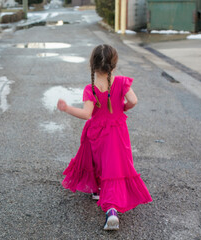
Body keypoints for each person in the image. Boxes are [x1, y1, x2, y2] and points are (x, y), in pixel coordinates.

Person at [57, 44, 152, 230]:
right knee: (114, 167)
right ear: (114, 64)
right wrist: (123, 108)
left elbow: (86, 114)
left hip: (96, 132)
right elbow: (133, 100)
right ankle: (111, 211)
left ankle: (101, 196)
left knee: (97, 160)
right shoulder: (122, 82)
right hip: (117, 132)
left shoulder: (90, 89)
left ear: (92, 65)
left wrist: (67, 108)